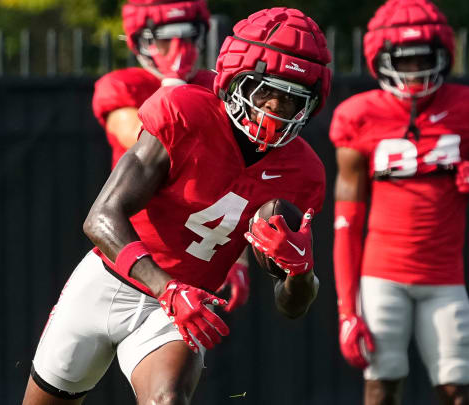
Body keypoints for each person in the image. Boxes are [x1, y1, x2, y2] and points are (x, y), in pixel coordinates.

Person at [23, 7, 330, 405]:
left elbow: (292, 306)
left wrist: (301, 274)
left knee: (167, 400)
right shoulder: (185, 111)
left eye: (290, 101)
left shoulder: (304, 172)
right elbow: (100, 217)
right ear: (236, 81)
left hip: (185, 301)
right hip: (111, 281)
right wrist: (167, 289)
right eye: (264, 91)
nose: (273, 109)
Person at [330, 0, 469, 404]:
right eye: (405, 61)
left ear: (443, 56)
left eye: (422, 60)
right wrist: (348, 311)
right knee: (381, 389)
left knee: (458, 392)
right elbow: (346, 222)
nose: (414, 72)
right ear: (379, 60)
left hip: (444, 279)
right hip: (382, 279)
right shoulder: (359, 116)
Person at [92, 0, 250, 313]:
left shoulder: (215, 89)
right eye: (165, 39)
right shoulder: (121, 85)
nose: (179, 49)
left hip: (193, 252)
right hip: (131, 249)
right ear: (141, 41)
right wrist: (175, 86)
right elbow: (144, 132)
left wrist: (236, 255)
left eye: (187, 37)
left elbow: (238, 176)